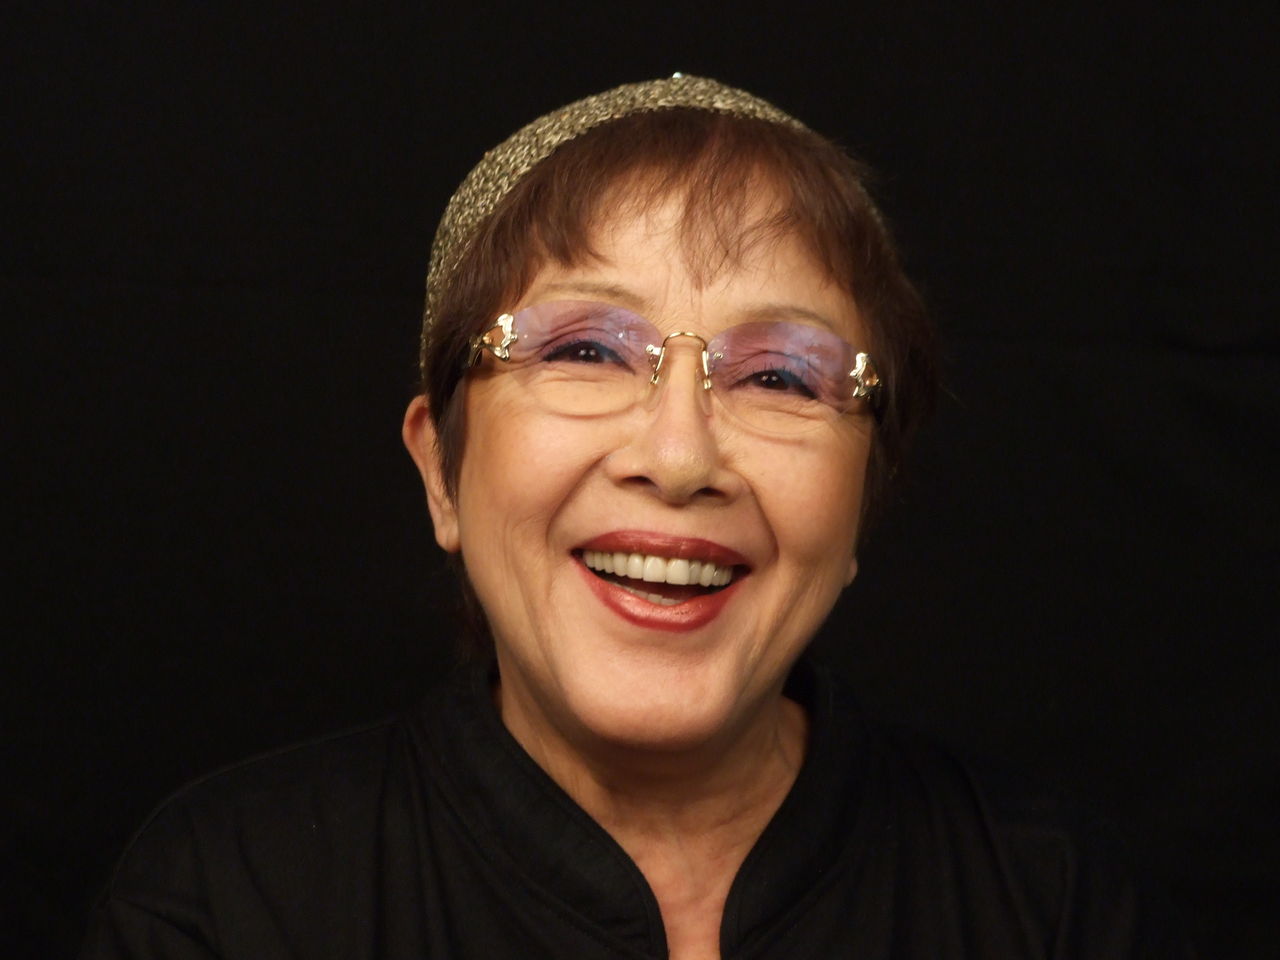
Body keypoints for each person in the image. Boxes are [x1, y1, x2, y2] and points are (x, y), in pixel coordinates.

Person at [81, 75, 1189, 959]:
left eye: (780, 377)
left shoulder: (1047, 905)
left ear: (863, 496)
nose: (678, 456)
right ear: (440, 473)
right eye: (583, 352)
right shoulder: (231, 903)